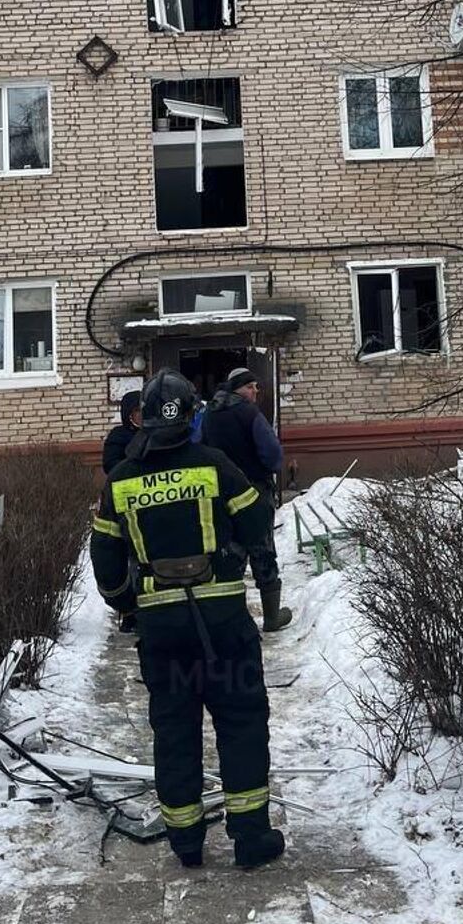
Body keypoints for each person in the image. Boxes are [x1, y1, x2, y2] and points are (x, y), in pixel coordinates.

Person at [89, 369, 287, 871]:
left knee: (174, 731)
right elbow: (258, 522)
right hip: (223, 624)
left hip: (162, 631)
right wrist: (231, 556)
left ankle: (186, 842)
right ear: (193, 413)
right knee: (241, 724)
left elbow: (107, 567)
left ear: (144, 421)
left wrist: (129, 602)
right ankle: (250, 837)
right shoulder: (214, 465)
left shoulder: (121, 481)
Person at [196, 367, 291, 631]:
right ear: (238, 388)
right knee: (262, 550)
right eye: (251, 387)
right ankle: (271, 617)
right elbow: (272, 454)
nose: (255, 392)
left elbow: (197, 448)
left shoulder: (208, 415)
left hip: (221, 496)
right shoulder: (250, 414)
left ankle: (231, 618)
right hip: (255, 493)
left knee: (229, 553)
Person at [102, 389, 143, 474]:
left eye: (145, 409)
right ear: (128, 413)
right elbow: (110, 465)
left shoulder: (156, 432)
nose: (142, 414)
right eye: (137, 410)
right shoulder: (118, 435)